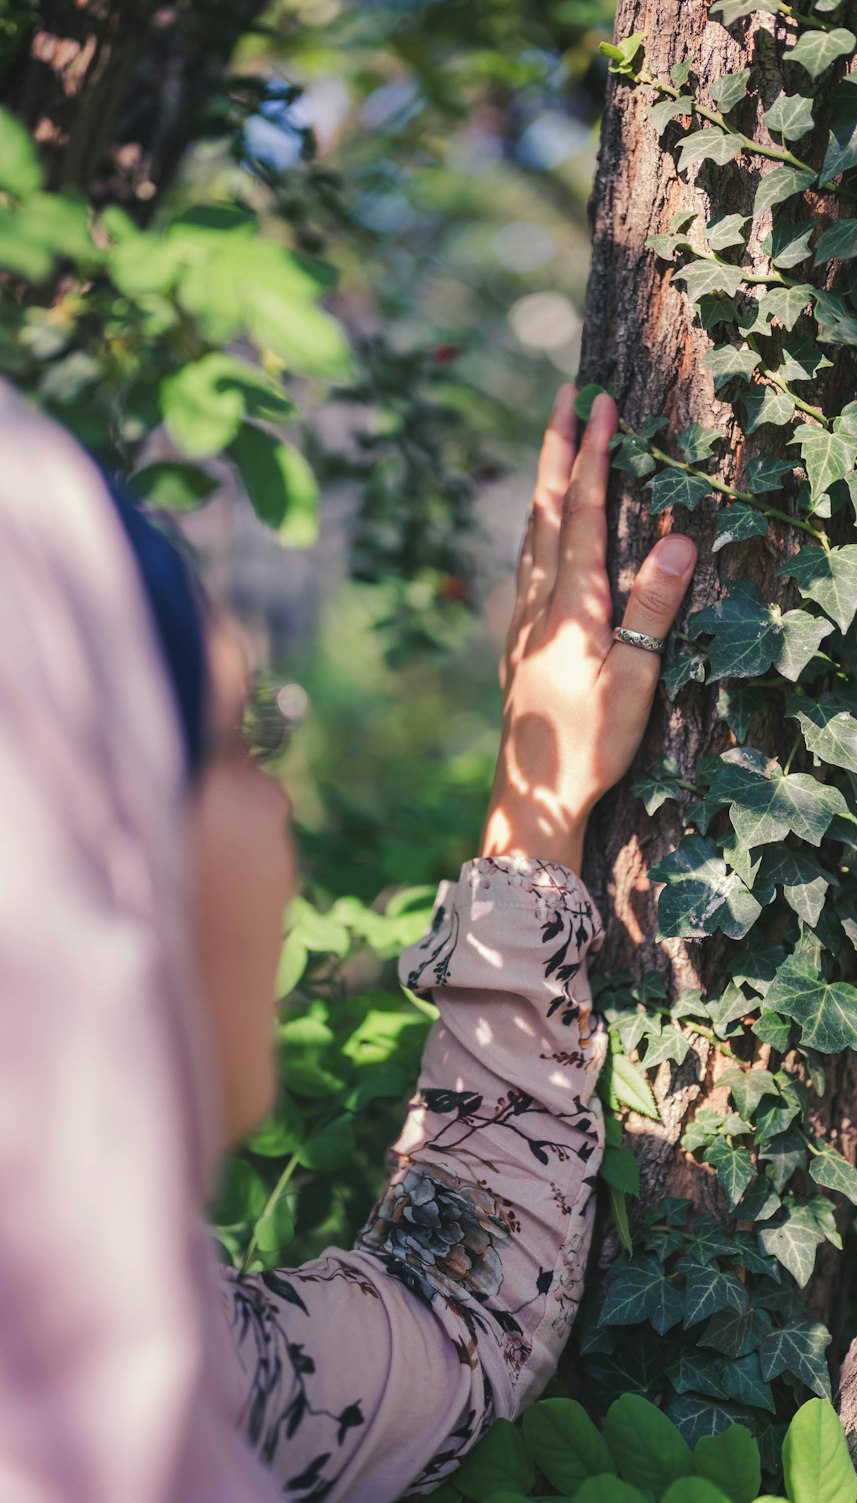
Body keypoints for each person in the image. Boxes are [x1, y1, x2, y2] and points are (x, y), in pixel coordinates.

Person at [0, 379, 697, 1502]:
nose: (278, 811)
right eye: (236, 742)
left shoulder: (147, 1355)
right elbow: (462, 1318)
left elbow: (446, 1312)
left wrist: (542, 807)